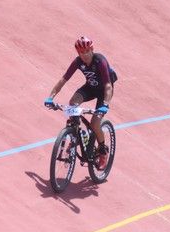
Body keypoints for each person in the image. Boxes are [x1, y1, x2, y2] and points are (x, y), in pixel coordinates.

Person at [44, 36, 116, 169]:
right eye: (81, 52)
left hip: (104, 91)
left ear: (92, 49)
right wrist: (51, 97)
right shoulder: (78, 62)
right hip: (90, 88)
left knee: (95, 123)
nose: (84, 54)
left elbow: (108, 85)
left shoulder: (100, 61)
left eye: (87, 51)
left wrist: (105, 104)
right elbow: (63, 79)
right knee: (72, 103)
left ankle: (102, 151)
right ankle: (76, 132)